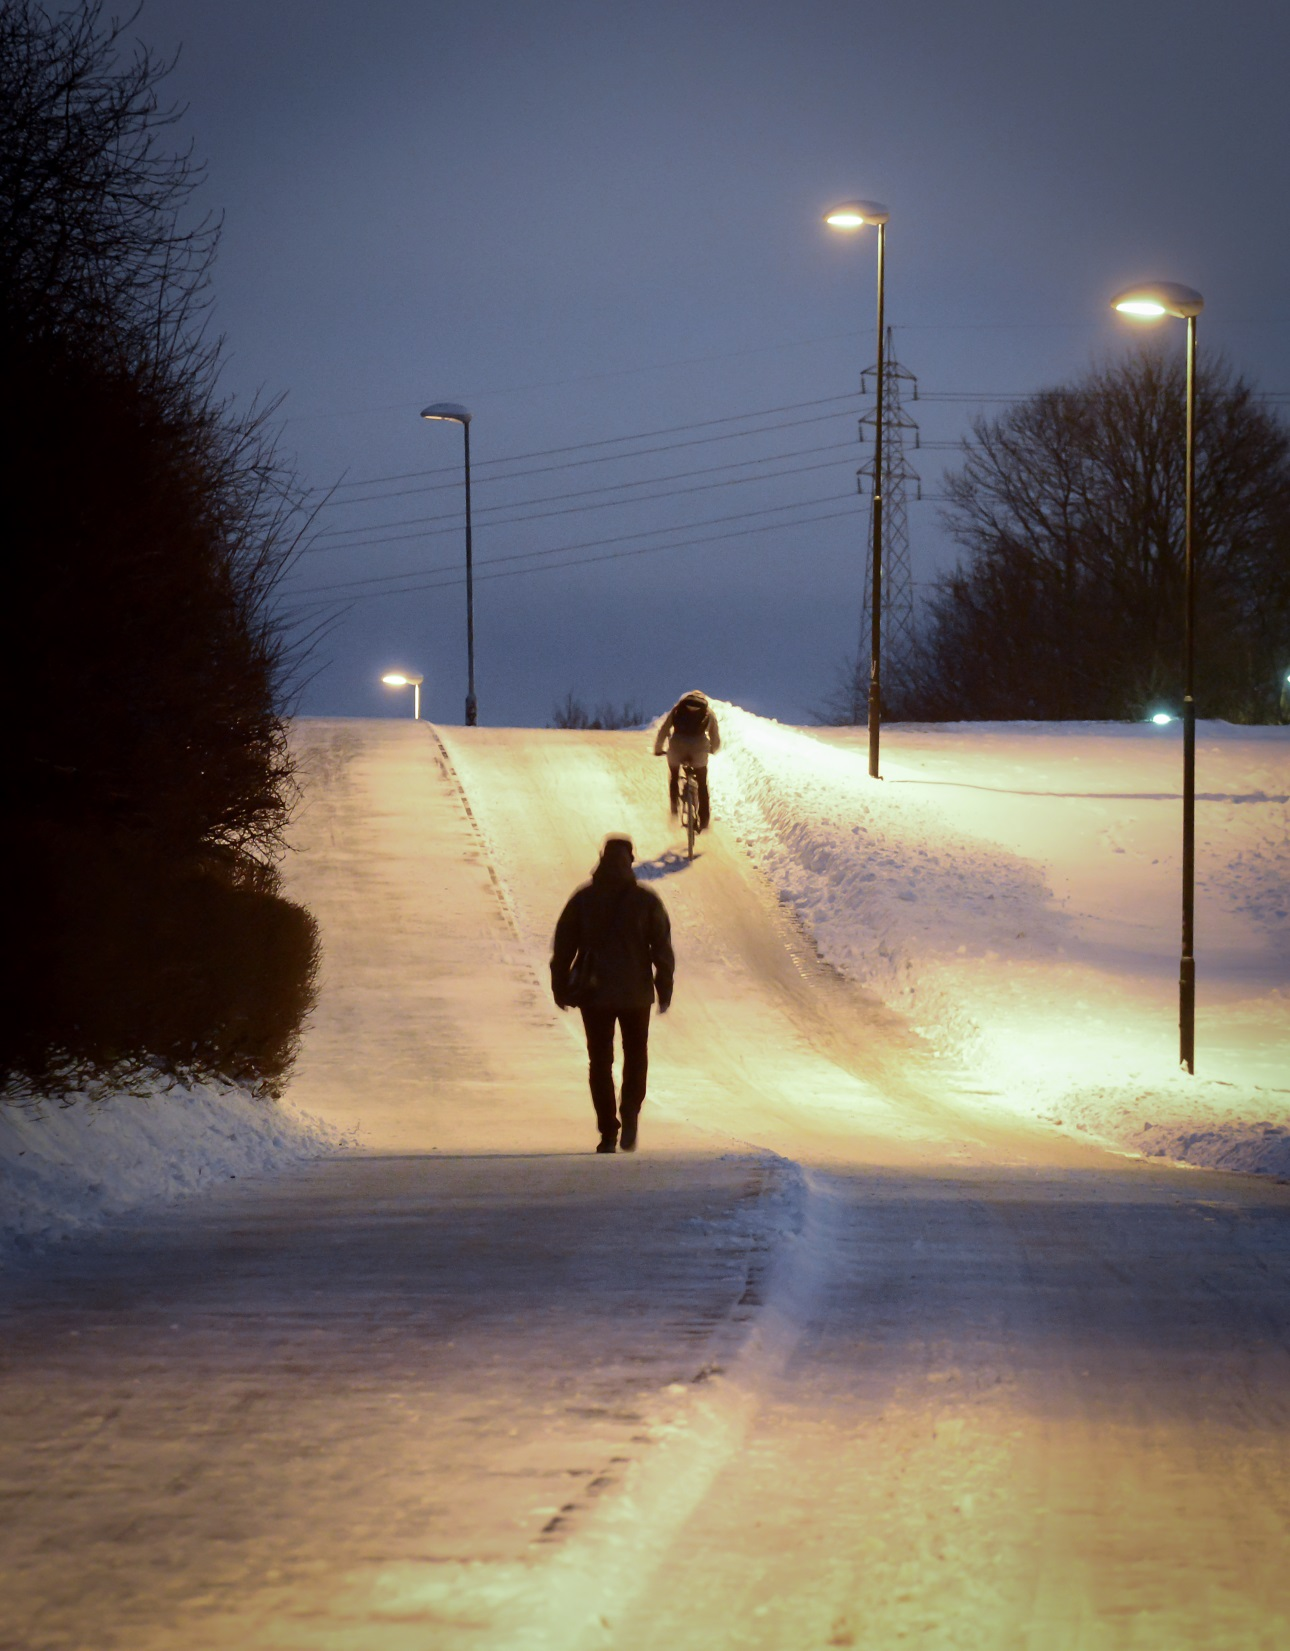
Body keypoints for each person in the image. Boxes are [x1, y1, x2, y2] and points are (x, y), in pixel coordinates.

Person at [550, 835, 674, 1154]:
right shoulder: (646, 902)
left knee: (600, 1061)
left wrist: (559, 986)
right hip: (635, 995)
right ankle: (630, 1109)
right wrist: (664, 987)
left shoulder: (584, 899)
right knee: (636, 1054)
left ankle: (608, 1130)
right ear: (630, 862)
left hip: (595, 995)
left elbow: (563, 946)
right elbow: (661, 948)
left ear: (602, 861)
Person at [653, 690, 721, 831]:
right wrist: (713, 749)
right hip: (699, 750)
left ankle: (674, 809)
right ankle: (704, 819)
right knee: (702, 784)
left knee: (674, 776)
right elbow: (715, 736)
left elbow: (664, 730)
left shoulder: (678, 709)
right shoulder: (708, 712)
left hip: (677, 747)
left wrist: (658, 748)